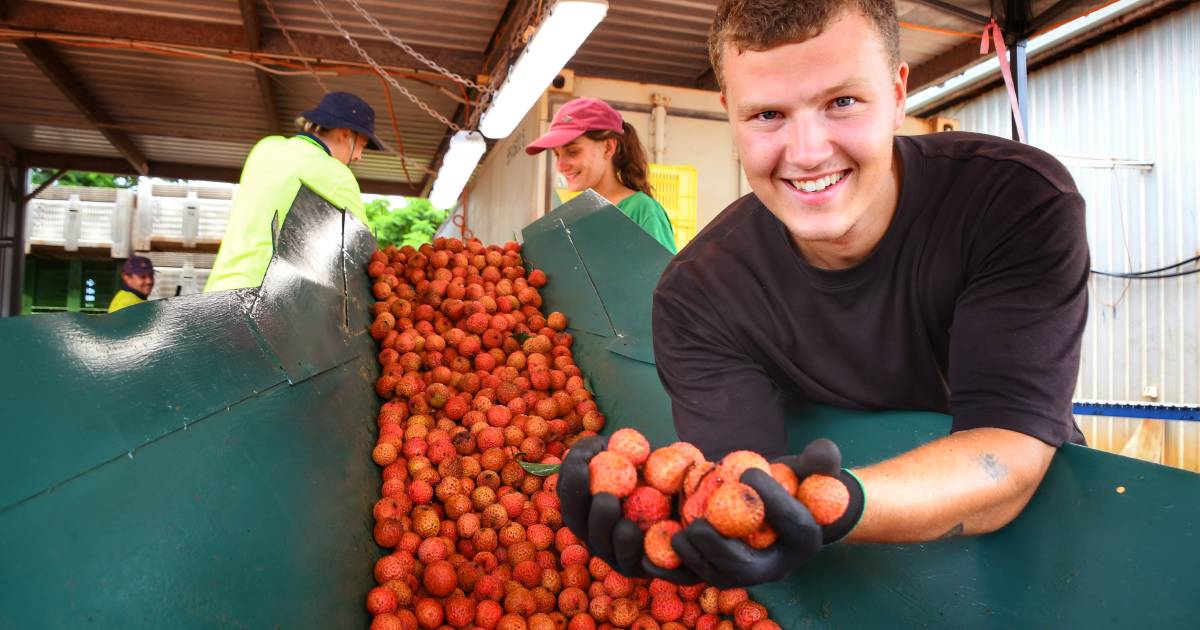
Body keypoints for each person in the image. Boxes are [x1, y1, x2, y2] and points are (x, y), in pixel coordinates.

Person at [558, 0, 1089, 588]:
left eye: (842, 102)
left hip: (1028, 551)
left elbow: (1007, 450)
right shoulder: (698, 295)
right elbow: (747, 492)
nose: (808, 152)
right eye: (766, 114)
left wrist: (831, 505)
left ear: (898, 92)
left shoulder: (1011, 202)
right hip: (847, 572)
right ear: (729, 114)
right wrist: (711, 532)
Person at [205, 92, 387, 292]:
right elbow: (364, 258)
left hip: (218, 292)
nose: (359, 157)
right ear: (344, 134)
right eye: (361, 145)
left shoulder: (265, 148)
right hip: (264, 304)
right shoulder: (338, 174)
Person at [526, 97, 678, 253]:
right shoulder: (573, 219)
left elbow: (669, 276)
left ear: (608, 147)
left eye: (572, 152)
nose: (560, 166)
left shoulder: (642, 210)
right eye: (557, 154)